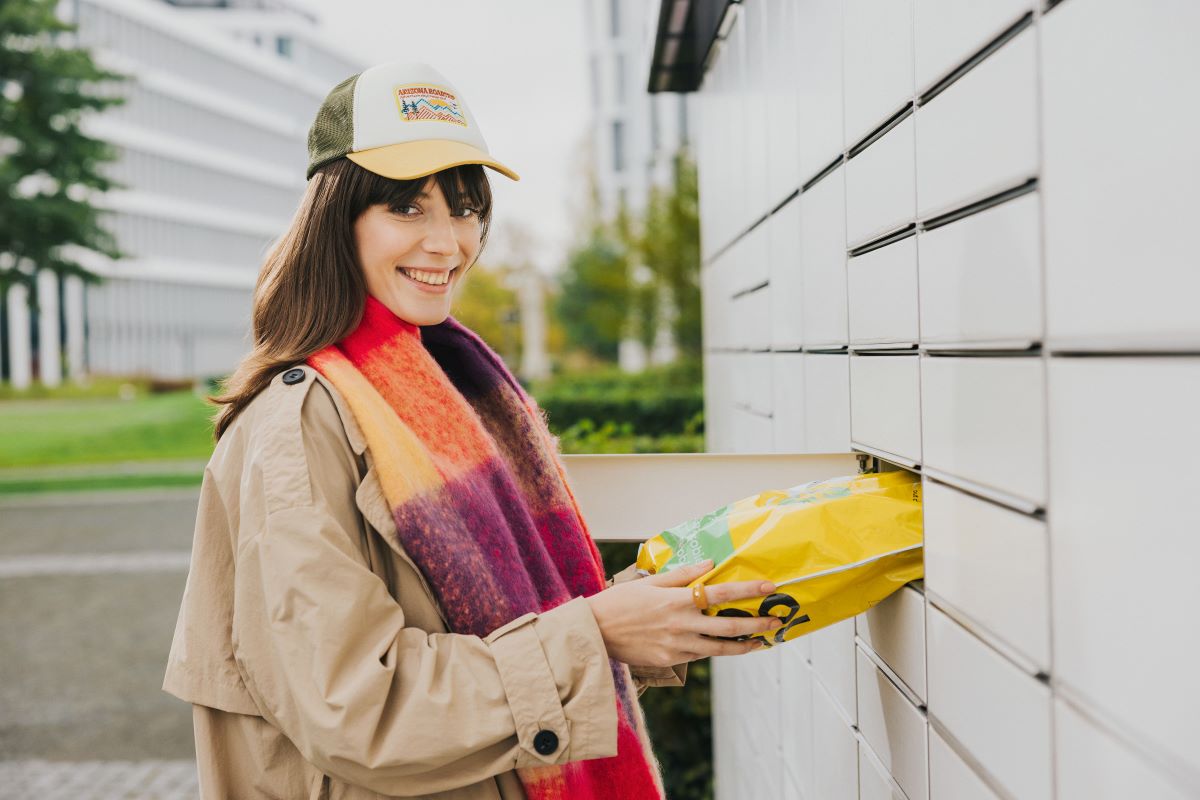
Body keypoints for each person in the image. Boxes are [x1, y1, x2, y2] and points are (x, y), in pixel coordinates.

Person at [162, 61, 782, 800]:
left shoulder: (448, 391)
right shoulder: (303, 423)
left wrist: (645, 614)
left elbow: (498, 629)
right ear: (339, 219)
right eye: (407, 208)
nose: (449, 242)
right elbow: (359, 708)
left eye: (463, 208)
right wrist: (594, 635)